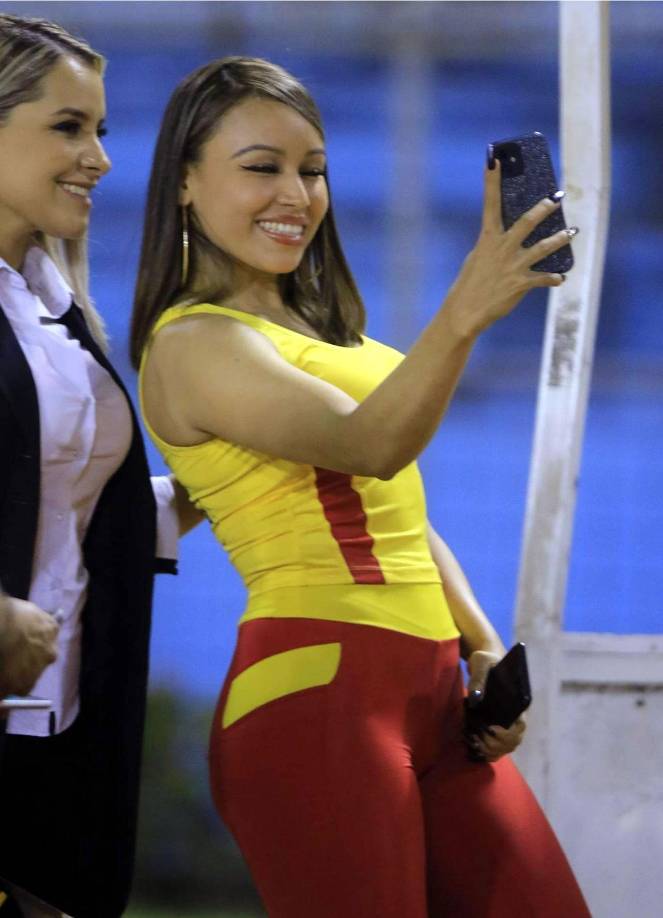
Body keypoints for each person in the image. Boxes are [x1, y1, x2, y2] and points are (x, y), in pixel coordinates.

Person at [132, 57, 590, 917]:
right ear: (185, 183)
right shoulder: (193, 344)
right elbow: (371, 446)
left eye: (312, 170)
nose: (295, 195)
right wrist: (466, 308)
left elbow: (397, 508)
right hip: (315, 696)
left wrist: (481, 647)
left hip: (435, 695)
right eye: (261, 167)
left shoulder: (325, 336)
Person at [0, 15, 198, 918]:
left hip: (65, 735)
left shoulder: (58, 310)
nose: (101, 159)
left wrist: (218, 485)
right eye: (68, 127)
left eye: (101, 130)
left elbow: (60, 504)